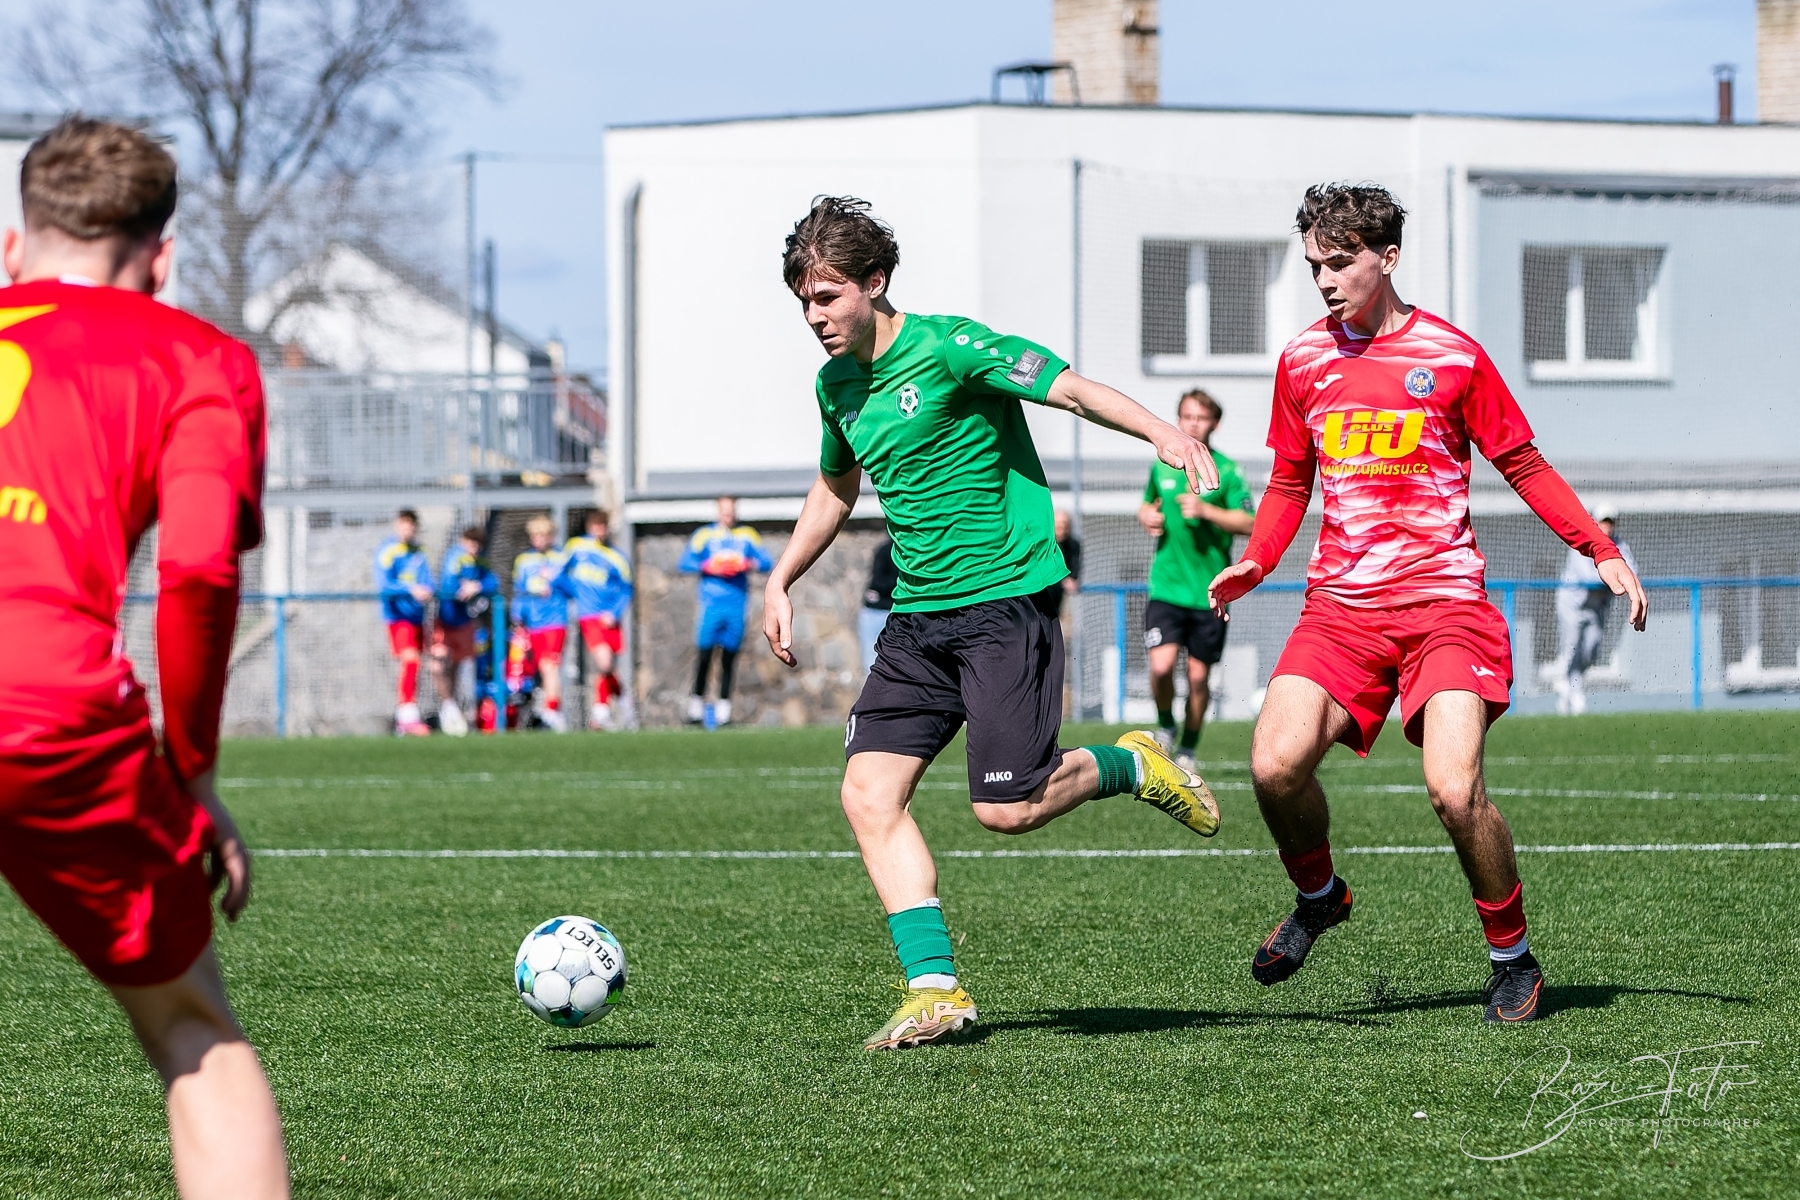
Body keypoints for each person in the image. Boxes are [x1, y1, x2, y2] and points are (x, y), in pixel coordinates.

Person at [763, 196, 1221, 1051]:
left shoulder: (951, 347)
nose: (815, 317)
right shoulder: (835, 387)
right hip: (915, 622)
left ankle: (1131, 764)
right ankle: (934, 991)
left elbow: (1068, 388)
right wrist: (782, 575)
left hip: (1004, 604)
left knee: (1006, 810)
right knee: (867, 794)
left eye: (827, 297)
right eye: (804, 302)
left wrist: (1161, 433)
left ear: (875, 282)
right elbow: (836, 487)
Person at [1208, 183, 1648, 1024]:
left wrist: (1599, 547)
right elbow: (1291, 481)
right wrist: (1256, 560)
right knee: (1273, 766)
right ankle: (1319, 897)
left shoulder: (1453, 356)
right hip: (1341, 610)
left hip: (1446, 607)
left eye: (1341, 262)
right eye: (1314, 265)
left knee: (1453, 789)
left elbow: (1523, 463)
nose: (1325, 279)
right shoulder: (1301, 361)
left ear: (1388, 258)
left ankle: (1512, 957)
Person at [0, 116, 289, 1196]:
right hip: (46, 706)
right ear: (160, 261)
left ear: (14, 246)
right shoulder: (197, 360)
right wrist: (194, 772)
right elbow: (200, 571)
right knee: (191, 1029)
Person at [1137, 390, 1254, 770]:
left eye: (1201, 417)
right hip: (1166, 587)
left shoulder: (1228, 471)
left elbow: (1250, 522)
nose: (1193, 424)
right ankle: (1166, 726)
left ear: (1214, 423)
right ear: (1179, 419)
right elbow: (1147, 504)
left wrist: (1207, 511)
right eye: (1187, 416)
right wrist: (1146, 515)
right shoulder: (1162, 465)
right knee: (1160, 667)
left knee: (1198, 679)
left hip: (1209, 592)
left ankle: (1188, 749)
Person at [679, 496, 773, 726]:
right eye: (724, 511)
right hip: (711, 605)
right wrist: (708, 566)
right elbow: (685, 563)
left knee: (729, 658)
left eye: (731, 511)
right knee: (704, 656)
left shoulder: (747, 535)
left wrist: (746, 564)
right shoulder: (704, 535)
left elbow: (766, 562)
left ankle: (724, 710)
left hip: (736, 606)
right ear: (718, 512)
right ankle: (696, 707)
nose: (728, 515)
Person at [1554, 505, 1638, 715]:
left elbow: (1631, 570)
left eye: (1610, 522)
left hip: (1596, 608)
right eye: (1603, 522)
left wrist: (1621, 577)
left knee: (1591, 651)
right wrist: (1616, 578)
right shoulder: (1581, 543)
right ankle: (1573, 691)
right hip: (1572, 605)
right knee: (1571, 648)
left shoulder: (1620, 545)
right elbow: (1590, 578)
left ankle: (1568, 684)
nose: (1606, 527)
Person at [560, 510, 634, 730]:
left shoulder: (616, 556)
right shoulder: (576, 547)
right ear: (589, 527)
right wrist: (574, 592)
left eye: (603, 527)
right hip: (588, 615)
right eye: (596, 527)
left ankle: (623, 702)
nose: (599, 531)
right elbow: (559, 574)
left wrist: (615, 612)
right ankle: (601, 709)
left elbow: (626, 589)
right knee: (604, 662)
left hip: (608, 618)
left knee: (608, 666)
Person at [374, 509, 434, 736]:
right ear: (396, 525)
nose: (408, 529)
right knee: (410, 659)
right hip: (398, 616)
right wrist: (410, 589)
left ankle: (406, 714)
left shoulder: (419, 551)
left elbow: (429, 581)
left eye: (411, 525)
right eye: (404, 524)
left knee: (417, 663)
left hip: (417, 616)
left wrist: (427, 590)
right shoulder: (387, 551)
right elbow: (384, 584)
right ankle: (406, 716)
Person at [433, 525, 497, 736]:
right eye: (471, 543)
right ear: (462, 541)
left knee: (457, 666)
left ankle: (452, 709)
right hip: (445, 621)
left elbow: (493, 582)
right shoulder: (455, 558)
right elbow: (449, 585)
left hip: (464, 623)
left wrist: (476, 586)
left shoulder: (481, 562)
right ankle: (449, 706)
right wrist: (462, 588)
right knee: (438, 664)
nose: (474, 548)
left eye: (478, 544)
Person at [512, 515, 569, 732]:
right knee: (538, 668)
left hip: (555, 621)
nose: (539, 539)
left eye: (543, 535)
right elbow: (519, 591)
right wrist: (518, 617)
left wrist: (554, 579)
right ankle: (546, 711)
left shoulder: (561, 558)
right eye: (535, 535)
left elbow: (571, 588)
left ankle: (552, 712)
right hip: (533, 623)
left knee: (549, 666)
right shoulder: (524, 561)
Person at [1031, 509, 1083, 618]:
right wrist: (1062, 579)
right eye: (1058, 527)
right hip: (1040, 591)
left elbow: (1075, 566)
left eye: (1065, 527)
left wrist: (1071, 579)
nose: (1062, 531)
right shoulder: (1043, 544)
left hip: (1057, 594)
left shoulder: (1072, 545)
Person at [859, 537, 898, 674]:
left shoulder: (911, 552)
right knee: (871, 665)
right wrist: (899, 582)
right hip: (875, 613)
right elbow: (877, 582)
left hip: (893, 613)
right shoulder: (886, 550)